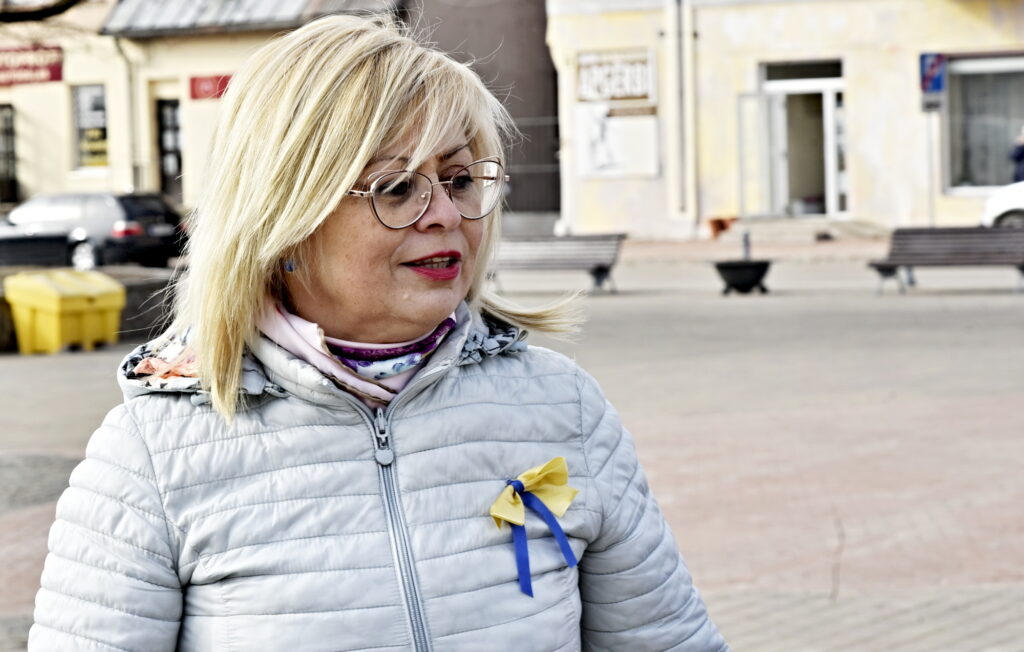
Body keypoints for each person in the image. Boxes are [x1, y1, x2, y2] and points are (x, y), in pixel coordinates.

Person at [29, 14, 727, 652]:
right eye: (396, 187)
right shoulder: (154, 454)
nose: (444, 213)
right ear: (286, 214)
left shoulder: (562, 409)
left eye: (459, 179)